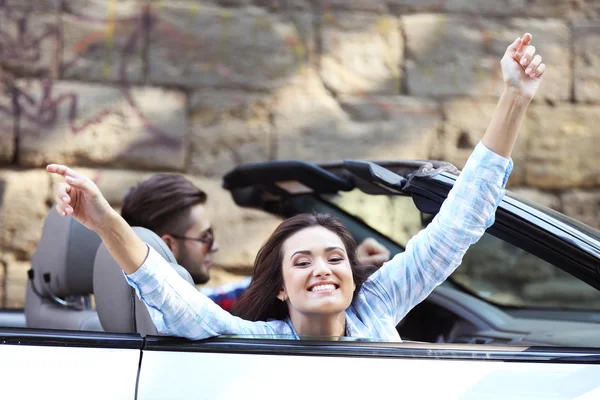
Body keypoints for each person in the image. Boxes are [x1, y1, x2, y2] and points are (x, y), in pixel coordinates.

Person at [47, 33, 546, 340]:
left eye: (334, 258)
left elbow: (459, 223)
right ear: (282, 290)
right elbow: (178, 305)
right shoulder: (256, 339)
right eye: (302, 262)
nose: (323, 269)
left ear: (354, 277)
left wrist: (514, 97)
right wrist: (107, 222)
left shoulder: (379, 305)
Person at [118, 169, 390, 312]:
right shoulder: (182, 314)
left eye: (332, 259)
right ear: (169, 244)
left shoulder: (136, 313)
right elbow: (229, 300)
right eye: (205, 237)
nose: (215, 246)